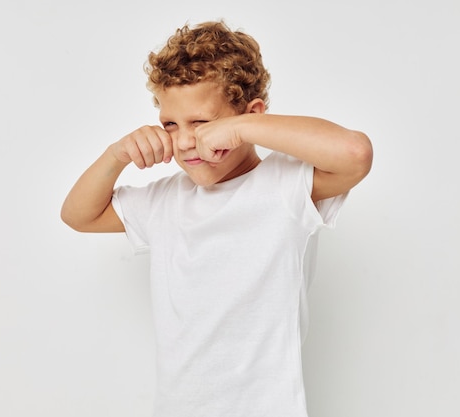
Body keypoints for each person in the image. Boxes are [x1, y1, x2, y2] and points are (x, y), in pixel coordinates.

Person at [61, 20, 372, 417]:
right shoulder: (166, 200)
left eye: (203, 123)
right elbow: (77, 215)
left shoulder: (284, 186)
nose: (186, 141)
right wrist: (116, 155)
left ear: (251, 115)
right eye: (172, 125)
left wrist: (244, 129)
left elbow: (355, 153)